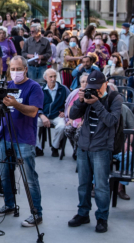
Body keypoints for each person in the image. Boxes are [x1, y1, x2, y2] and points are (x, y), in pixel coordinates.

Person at [0, 56, 45, 227]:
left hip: (24, 139)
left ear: (26, 69)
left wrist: (16, 104)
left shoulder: (34, 87)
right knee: (5, 173)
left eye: (19, 69)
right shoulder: (7, 86)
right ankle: (10, 204)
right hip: (6, 137)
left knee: (30, 178)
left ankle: (36, 213)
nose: (15, 72)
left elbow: (33, 112)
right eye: (13, 68)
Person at [67, 72, 124, 233]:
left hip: (102, 148)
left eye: (98, 88)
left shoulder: (115, 99)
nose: (95, 91)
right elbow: (72, 115)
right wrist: (80, 101)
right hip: (84, 146)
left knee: (101, 186)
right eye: (91, 88)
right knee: (83, 185)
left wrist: (97, 103)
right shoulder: (87, 95)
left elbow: (112, 121)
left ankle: (102, 218)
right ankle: (83, 214)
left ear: (105, 84)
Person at [38, 69, 69, 157]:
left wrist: (64, 112)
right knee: (30, 124)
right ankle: (38, 148)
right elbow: (35, 105)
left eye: (55, 76)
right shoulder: (40, 90)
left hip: (57, 115)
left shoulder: (63, 89)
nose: (53, 79)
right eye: (50, 77)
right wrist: (41, 115)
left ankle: (55, 147)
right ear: (45, 78)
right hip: (43, 115)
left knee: (62, 126)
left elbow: (70, 102)